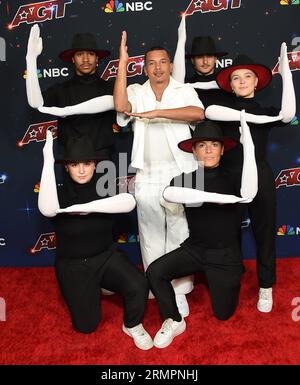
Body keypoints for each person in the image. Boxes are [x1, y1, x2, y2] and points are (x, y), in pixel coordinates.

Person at [147, 112, 258, 348]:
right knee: (155, 271)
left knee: (223, 314)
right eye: (202, 145)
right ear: (194, 151)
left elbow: (250, 192)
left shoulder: (235, 179)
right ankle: (174, 320)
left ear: (222, 150)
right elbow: (168, 193)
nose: (208, 150)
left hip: (225, 256)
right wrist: (220, 199)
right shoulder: (185, 179)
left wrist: (248, 145)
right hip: (195, 250)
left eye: (214, 144)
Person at [113, 31, 205, 317]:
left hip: (181, 171)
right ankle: (156, 285)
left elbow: (198, 114)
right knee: (150, 233)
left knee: (179, 232)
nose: (157, 67)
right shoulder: (136, 91)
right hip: (147, 172)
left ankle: (178, 292)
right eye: (151, 63)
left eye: (162, 62)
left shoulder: (183, 90)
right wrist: (122, 64)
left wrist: (157, 114)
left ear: (170, 65)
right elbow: (120, 107)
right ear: (144, 68)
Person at [38, 130, 153, 350]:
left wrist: (80, 210)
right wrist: (47, 161)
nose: (81, 170)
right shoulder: (57, 194)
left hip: (106, 257)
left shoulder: (104, 188)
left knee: (139, 284)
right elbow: (47, 209)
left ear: (94, 165)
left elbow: (129, 201)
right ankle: (94, 287)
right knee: (86, 326)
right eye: (74, 164)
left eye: (87, 163)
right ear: (66, 167)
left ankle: (132, 325)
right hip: (74, 267)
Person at [205, 43, 296, 313]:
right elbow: (209, 113)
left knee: (265, 232)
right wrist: (249, 118)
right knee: (226, 233)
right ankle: (230, 279)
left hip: (260, 175)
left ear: (256, 82)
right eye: (235, 77)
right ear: (230, 85)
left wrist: (287, 73)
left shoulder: (266, 110)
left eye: (247, 76)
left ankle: (265, 286)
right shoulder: (220, 107)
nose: (242, 81)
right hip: (228, 177)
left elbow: (288, 114)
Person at [26, 25, 115, 159]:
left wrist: (67, 111)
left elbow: (124, 109)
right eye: (80, 54)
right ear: (73, 59)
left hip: (102, 159)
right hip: (71, 161)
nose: (85, 59)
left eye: (90, 54)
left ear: (97, 58)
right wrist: (31, 59)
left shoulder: (111, 88)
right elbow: (35, 103)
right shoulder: (61, 89)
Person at [172, 16, 228, 108]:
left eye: (209, 56)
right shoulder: (184, 84)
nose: (205, 61)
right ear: (192, 60)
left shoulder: (227, 83)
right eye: (199, 57)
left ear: (215, 59)